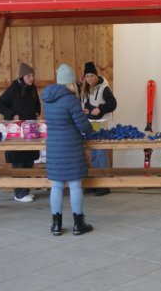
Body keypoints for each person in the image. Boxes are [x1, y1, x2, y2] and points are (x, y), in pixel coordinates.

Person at [42, 64, 95, 236]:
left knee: (57, 185)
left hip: (54, 147)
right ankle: (78, 224)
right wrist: (90, 129)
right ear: (71, 82)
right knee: (75, 184)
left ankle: (56, 225)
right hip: (71, 146)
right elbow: (82, 125)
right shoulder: (71, 100)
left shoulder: (47, 100)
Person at [0, 62, 41, 202]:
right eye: (28, 76)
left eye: (32, 75)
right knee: (19, 161)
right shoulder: (13, 88)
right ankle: (19, 193)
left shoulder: (32, 88)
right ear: (22, 76)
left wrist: (37, 111)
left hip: (30, 130)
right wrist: (12, 114)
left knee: (29, 161)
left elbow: (36, 102)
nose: (31, 78)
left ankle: (25, 190)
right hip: (16, 131)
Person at [80, 61, 117, 196]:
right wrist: (85, 111)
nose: (90, 79)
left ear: (96, 76)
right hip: (90, 126)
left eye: (92, 76)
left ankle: (105, 184)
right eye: (87, 76)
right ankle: (96, 182)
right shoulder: (84, 90)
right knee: (93, 154)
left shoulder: (103, 88)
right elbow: (87, 106)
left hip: (101, 126)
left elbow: (113, 104)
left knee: (101, 153)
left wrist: (100, 109)